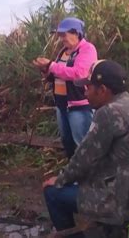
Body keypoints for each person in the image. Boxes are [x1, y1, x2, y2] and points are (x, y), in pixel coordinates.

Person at [42, 60, 129, 237]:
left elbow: (83, 159)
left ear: (103, 90)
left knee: (53, 193)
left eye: (89, 87)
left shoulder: (109, 112)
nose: (85, 92)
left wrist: (60, 180)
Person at [33, 17, 97, 158]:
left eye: (64, 34)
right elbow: (58, 74)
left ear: (76, 33)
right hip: (62, 105)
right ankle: (72, 173)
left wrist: (51, 65)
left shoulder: (87, 49)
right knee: (67, 141)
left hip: (79, 106)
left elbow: (79, 73)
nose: (61, 38)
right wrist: (46, 70)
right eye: (60, 35)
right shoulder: (63, 51)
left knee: (82, 144)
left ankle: (86, 177)